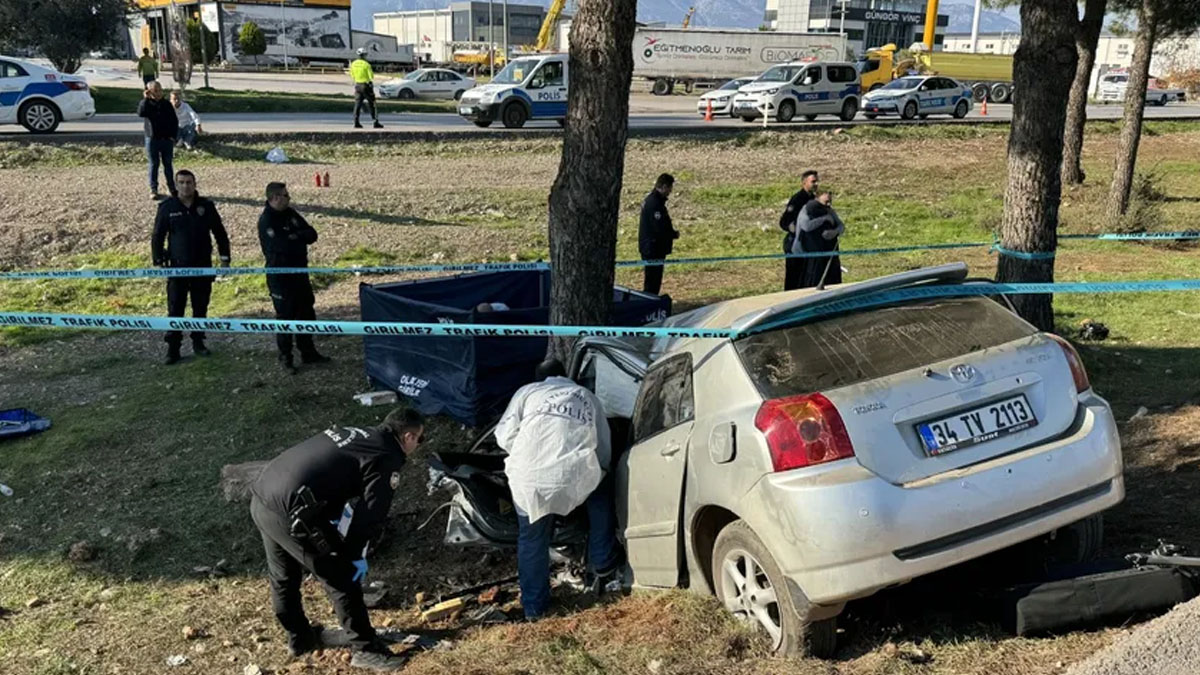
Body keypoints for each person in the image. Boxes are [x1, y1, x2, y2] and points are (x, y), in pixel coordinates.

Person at [250, 408, 424, 671]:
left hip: (264, 497)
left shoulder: (359, 434)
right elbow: (369, 517)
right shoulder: (387, 457)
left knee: (283, 576)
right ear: (408, 436)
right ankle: (365, 648)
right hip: (294, 514)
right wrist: (353, 556)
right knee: (341, 576)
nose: (418, 445)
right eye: (420, 440)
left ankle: (300, 638)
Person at [495, 359, 623, 621]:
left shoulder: (527, 392)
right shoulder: (586, 396)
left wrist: (529, 453)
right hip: (573, 473)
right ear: (566, 376)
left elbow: (504, 435)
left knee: (532, 541)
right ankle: (602, 559)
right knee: (601, 487)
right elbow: (603, 447)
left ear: (540, 379)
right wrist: (601, 470)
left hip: (529, 478)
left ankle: (534, 608)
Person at [151, 170, 231, 365]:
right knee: (175, 308)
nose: (186, 186)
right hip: (177, 267)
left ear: (195, 184)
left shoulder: (206, 206)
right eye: (182, 182)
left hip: (203, 266)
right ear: (176, 185)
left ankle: (198, 341)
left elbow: (220, 233)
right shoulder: (167, 207)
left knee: (200, 306)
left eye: (189, 182)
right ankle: (173, 348)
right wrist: (158, 261)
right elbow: (157, 235)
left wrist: (225, 258)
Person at [259, 182, 330, 373]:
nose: (288, 198)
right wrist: (297, 237)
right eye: (285, 195)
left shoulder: (290, 214)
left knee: (306, 311)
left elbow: (312, 234)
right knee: (285, 316)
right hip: (280, 276)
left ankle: (308, 351)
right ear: (274, 198)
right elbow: (281, 245)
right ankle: (286, 357)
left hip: (300, 272)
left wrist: (294, 235)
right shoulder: (267, 220)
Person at [793, 191, 845, 288]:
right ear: (818, 197)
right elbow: (806, 226)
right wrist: (824, 219)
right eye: (826, 201)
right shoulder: (807, 209)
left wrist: (834, 232)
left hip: (829, 252)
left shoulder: (829, 210)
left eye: (830, 201)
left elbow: (841, 226)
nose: (829, 203)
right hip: (811, 253)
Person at [638, 173, 679, 295]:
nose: (670, 191)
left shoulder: (652, 200)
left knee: (653, 280)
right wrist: (673, 234)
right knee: (652, 281)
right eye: (670, 188)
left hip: (651, 247)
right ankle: (649, 305)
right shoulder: (654, 204)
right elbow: (660, 228)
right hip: (653, 249)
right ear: (664, 186)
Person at [778, 169, 820, 290]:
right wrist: (797, 232)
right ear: (804, 183)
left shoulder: (815, 199)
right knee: (794, 277)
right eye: (813, 181)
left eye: (817, 181)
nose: (816, 184)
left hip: (809, 245)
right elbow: (784, 222)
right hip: (795, 244)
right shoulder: (797, 199)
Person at [138, 81, 179, 200]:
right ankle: (153, 189)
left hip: (166, 139)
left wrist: (173, 136)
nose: (159, 93)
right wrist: (145, 99)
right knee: (154, 164)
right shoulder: (147, 104)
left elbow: (174, 121)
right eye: (155, 91)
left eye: (160, 90)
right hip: (152, 139)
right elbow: (140, 113)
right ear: (149, 91)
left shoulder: (166, 104)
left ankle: (172, 188)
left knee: (168, 164)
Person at [350, 48, 383, 130]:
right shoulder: (366, 64)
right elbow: (371, 76)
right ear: (364, 55)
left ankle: (356, 122)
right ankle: (375, 122)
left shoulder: (353, 64)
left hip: (357, 85)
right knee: (372, 104)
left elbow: (352, 75)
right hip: (366, 85)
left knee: (357, 104)